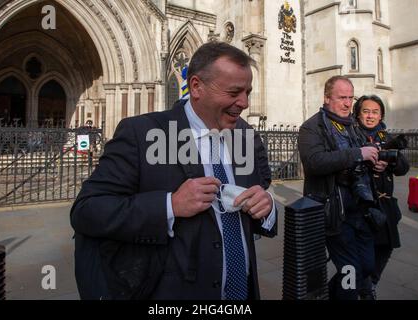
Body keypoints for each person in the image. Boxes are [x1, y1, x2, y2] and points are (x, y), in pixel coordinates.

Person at [70, 41, 277, 300]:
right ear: (196, 87)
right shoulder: (142, 134)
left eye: (248, 92)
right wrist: (170, 205)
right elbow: (87, 211)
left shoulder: (245, 135)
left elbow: (261, 190)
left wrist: (267, 206)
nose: (244, 103)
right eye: (234, 92)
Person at [298, 75, 380, 300]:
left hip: (360, 211)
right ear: (326, 98)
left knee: (367, 266)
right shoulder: (312, 127)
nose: (347, 103)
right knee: (350, 272)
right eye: (341, 97)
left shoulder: (354, 125)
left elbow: (367, 152)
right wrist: (357, 154)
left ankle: (335, 294)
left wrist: (376, 161)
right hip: (334, 213)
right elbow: (314, 162)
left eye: (350, 98)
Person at [353, 95, 410, 299]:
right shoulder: (353, 135)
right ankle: (365, 290)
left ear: (381, 115)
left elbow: (404, 168)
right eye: (366, 111)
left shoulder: (385, 136)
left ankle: (370, 283)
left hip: (385, 205)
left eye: (375, 112)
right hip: (362, 205)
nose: (370, 116)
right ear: (358, 114)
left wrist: (389, 163)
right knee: (363, 255)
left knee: (386, 248)